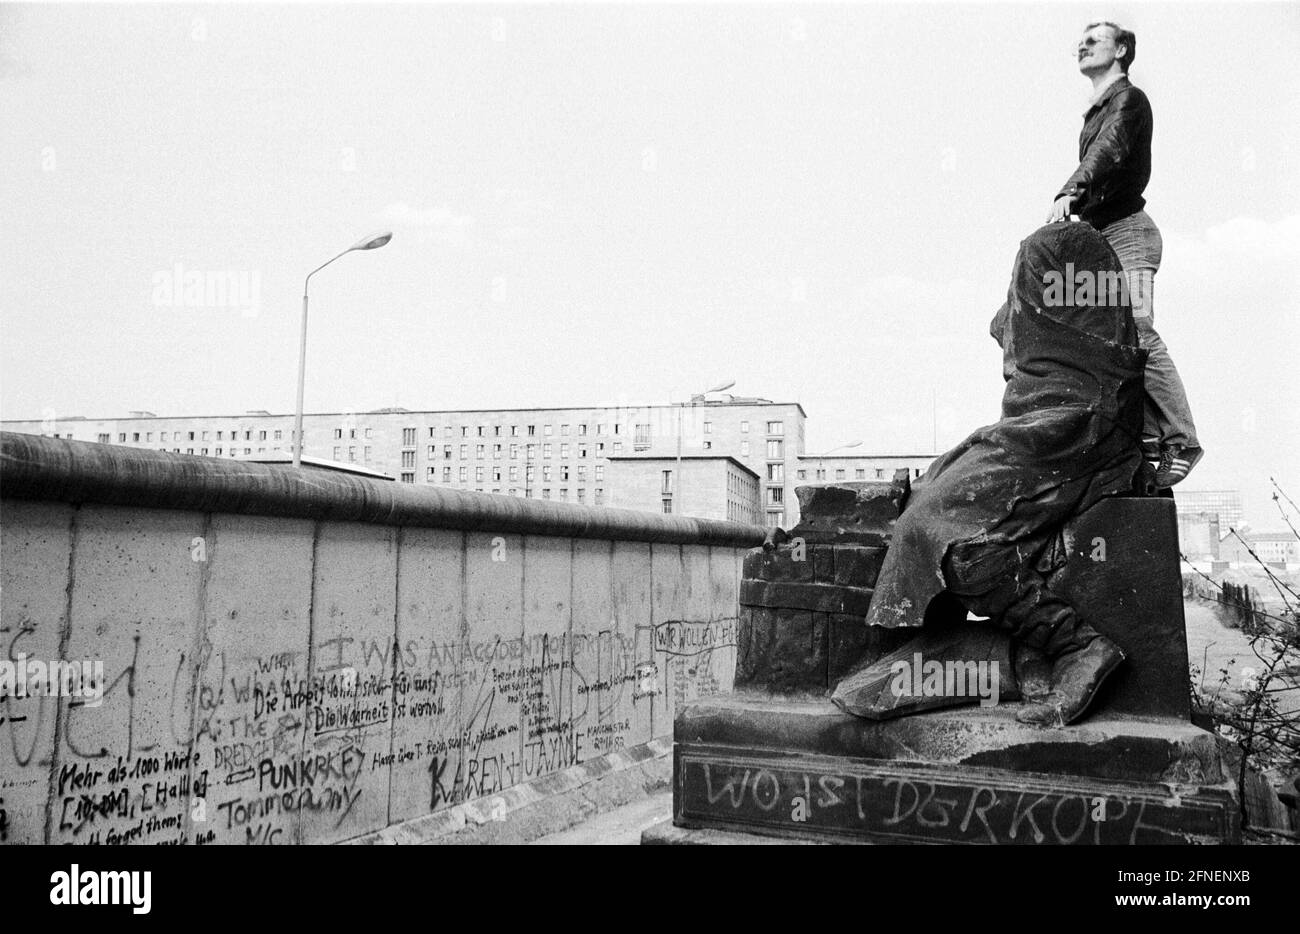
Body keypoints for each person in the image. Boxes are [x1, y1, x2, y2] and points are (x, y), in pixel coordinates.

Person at [858, 223, 1147, 727]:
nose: (999, 331)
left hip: (1073, 424)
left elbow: (1129, 354)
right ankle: (935, 643)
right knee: (932, 490)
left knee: (952, 535)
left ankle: (1078, 646)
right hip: (1047, 414)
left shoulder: (1062, 249)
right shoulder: (1053, 253)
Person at [1048, 21, 1203, 488]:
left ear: (1119, 50)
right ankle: (1147, 438)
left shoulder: (1127, 102)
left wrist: (1071, 191)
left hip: (1128, 234)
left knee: (1137, 329)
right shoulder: (1095, 109)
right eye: (1081, 39)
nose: (1081, 44)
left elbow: (1110, 152)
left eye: (1093, 40)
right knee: (1107, 339)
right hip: (1101, 239)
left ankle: (1180, 439)